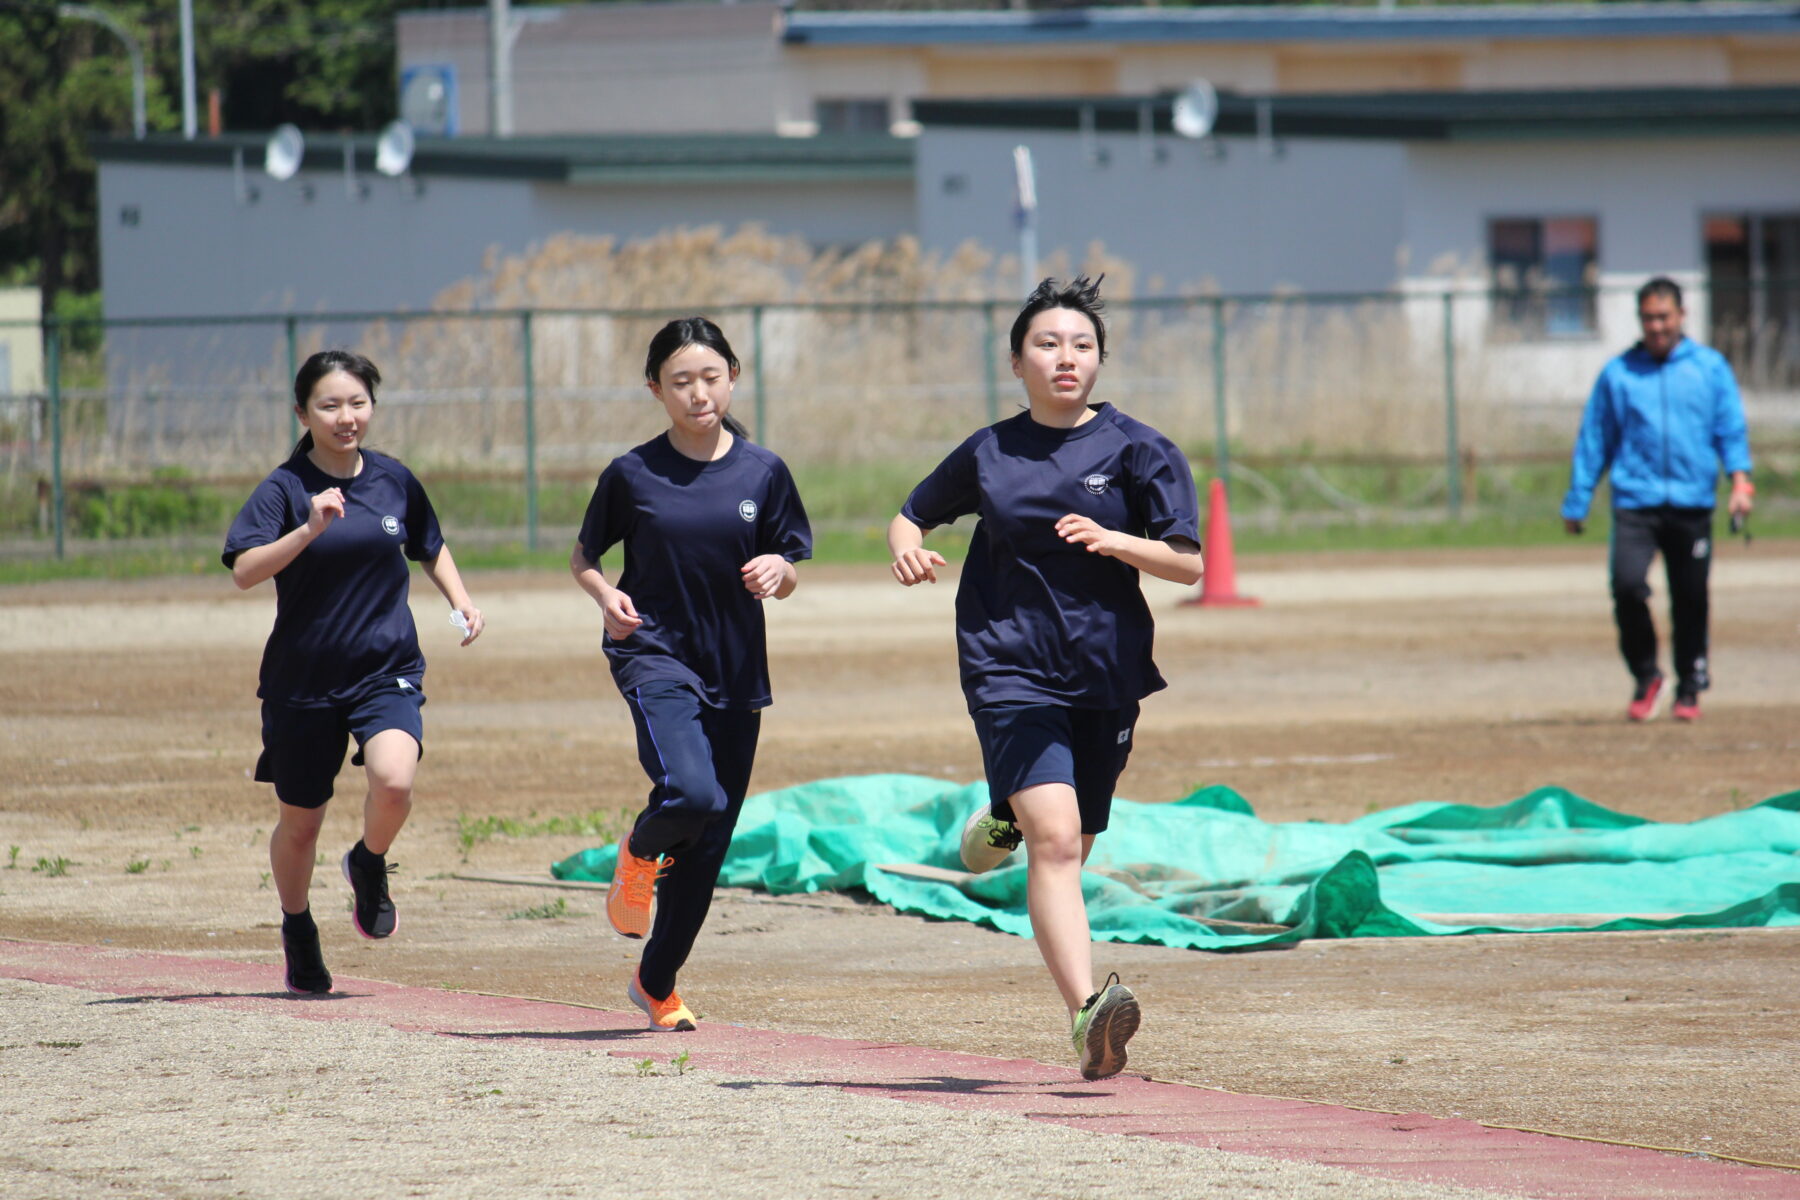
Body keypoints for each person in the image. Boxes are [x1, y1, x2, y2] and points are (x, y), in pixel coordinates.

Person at [887, 277, 1202, 1081]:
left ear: (1099, 361)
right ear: (1018, 361)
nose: (1067, 357)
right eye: (1048, 344)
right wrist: (907, 545)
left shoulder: (1140, 449)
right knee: (1057, 842)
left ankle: (1002, 813)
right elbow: (913, 509)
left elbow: (1188, 565)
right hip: (1007, 663)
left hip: (1105, 670)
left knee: (1075, 838)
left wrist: (1114, 539)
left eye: (1082, 345)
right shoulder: (989, 450)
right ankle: (1087, 1014)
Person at [571, 317, 811, 1033]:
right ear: (657, 390)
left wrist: (781, 571)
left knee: (709, 845)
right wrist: (604, 594)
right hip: (654, 654)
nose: (698, 393)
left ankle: (656, 983)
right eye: (680, 382)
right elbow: (584, 557)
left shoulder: (763, 472)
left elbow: (790, 561)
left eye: (710, 377)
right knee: (692, 793)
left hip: (735, 669)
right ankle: (639, 850)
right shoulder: (632, 473)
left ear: (733, 376)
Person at [223, 349, 485, 996]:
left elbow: (429, 542)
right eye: (329, 405)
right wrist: (308, 529)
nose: (346, 417)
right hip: (304, 681)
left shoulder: (394, 479)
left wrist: (461, 599)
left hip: (384, 667)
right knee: (301, 822)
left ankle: (368, 864)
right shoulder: (283, 489)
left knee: (394, 782)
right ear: (302, 412)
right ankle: (298, 927)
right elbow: (244, 571)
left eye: (357, 403)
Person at [1562, 275, 1753, 723]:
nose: (1656, 326)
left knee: (1690, 597)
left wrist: (1741, 483)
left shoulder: (1709, 369)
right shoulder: (1619, 374)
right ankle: (1647, 675)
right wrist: (1578, 499)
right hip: (1636, 500)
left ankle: (1690, 684)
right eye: (1648, 318)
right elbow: (1596, 438)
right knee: (1626, 585)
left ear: (1682, 316)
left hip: (1691, 501)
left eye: (1664, 317)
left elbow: (1730, 429)